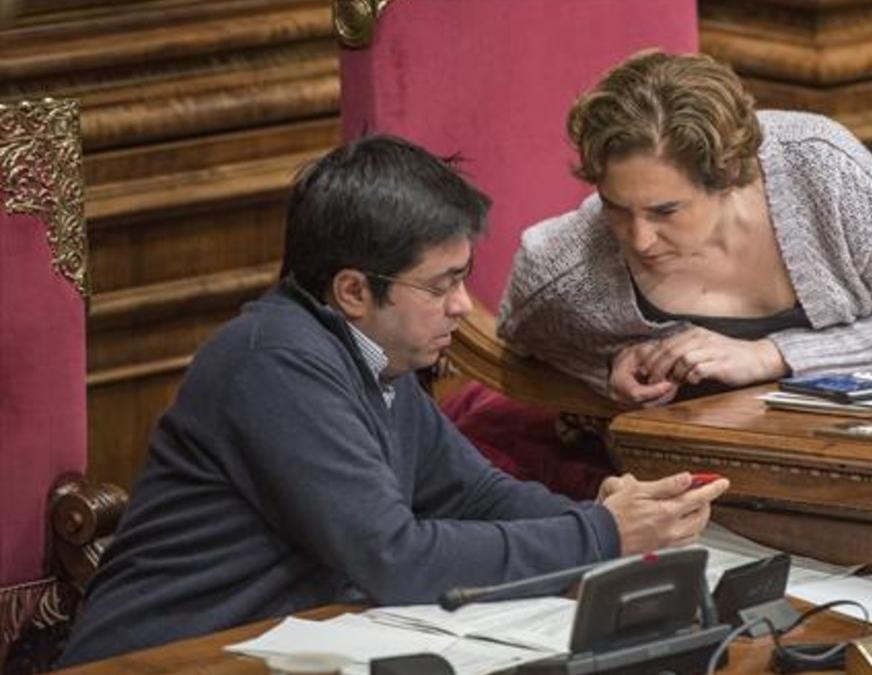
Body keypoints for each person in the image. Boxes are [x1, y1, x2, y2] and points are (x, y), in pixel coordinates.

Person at [58, 135, 728, 665]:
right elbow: (394, 556)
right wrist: (601, 534)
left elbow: (475, 493)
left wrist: (615, 520)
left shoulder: (379, 360)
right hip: (160, 657)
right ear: (353, 290)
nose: (464, 306)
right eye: (441, 286)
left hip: (267, 649)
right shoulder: (274, 364)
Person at [498, 51, 872, 405]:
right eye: (615, 208)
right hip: (694, 472)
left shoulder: (820, 165)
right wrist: (606, 368)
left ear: (729, 175)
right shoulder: (571, 264)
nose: (638, 239)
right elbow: (519, 338)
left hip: (863, 448)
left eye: (665, 211)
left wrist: (767, 355)